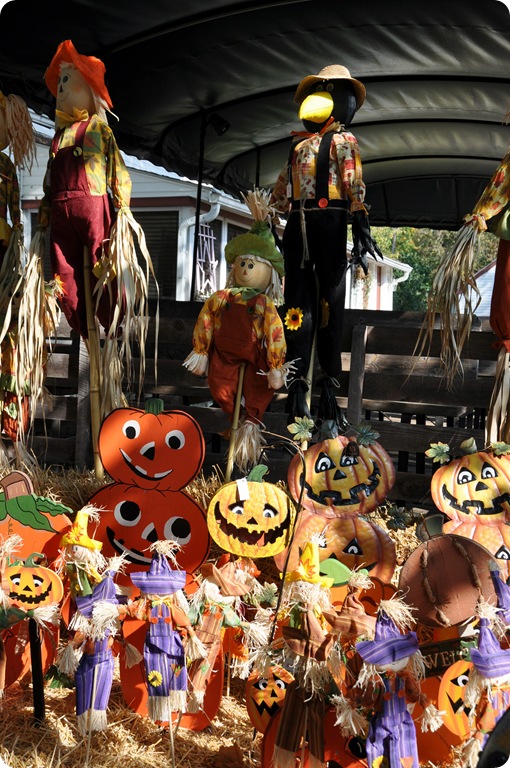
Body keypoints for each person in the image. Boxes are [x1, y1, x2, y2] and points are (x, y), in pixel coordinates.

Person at [270, 64, 381, 429]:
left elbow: (350, 177)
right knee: (302, 305)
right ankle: (301, 389)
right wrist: (268, 213)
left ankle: (323, 392)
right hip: (304, 224)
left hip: (324, 223)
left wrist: (358, 212)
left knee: (325, 303)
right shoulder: (301, 145)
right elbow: (283, 189)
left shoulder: (339, 141)